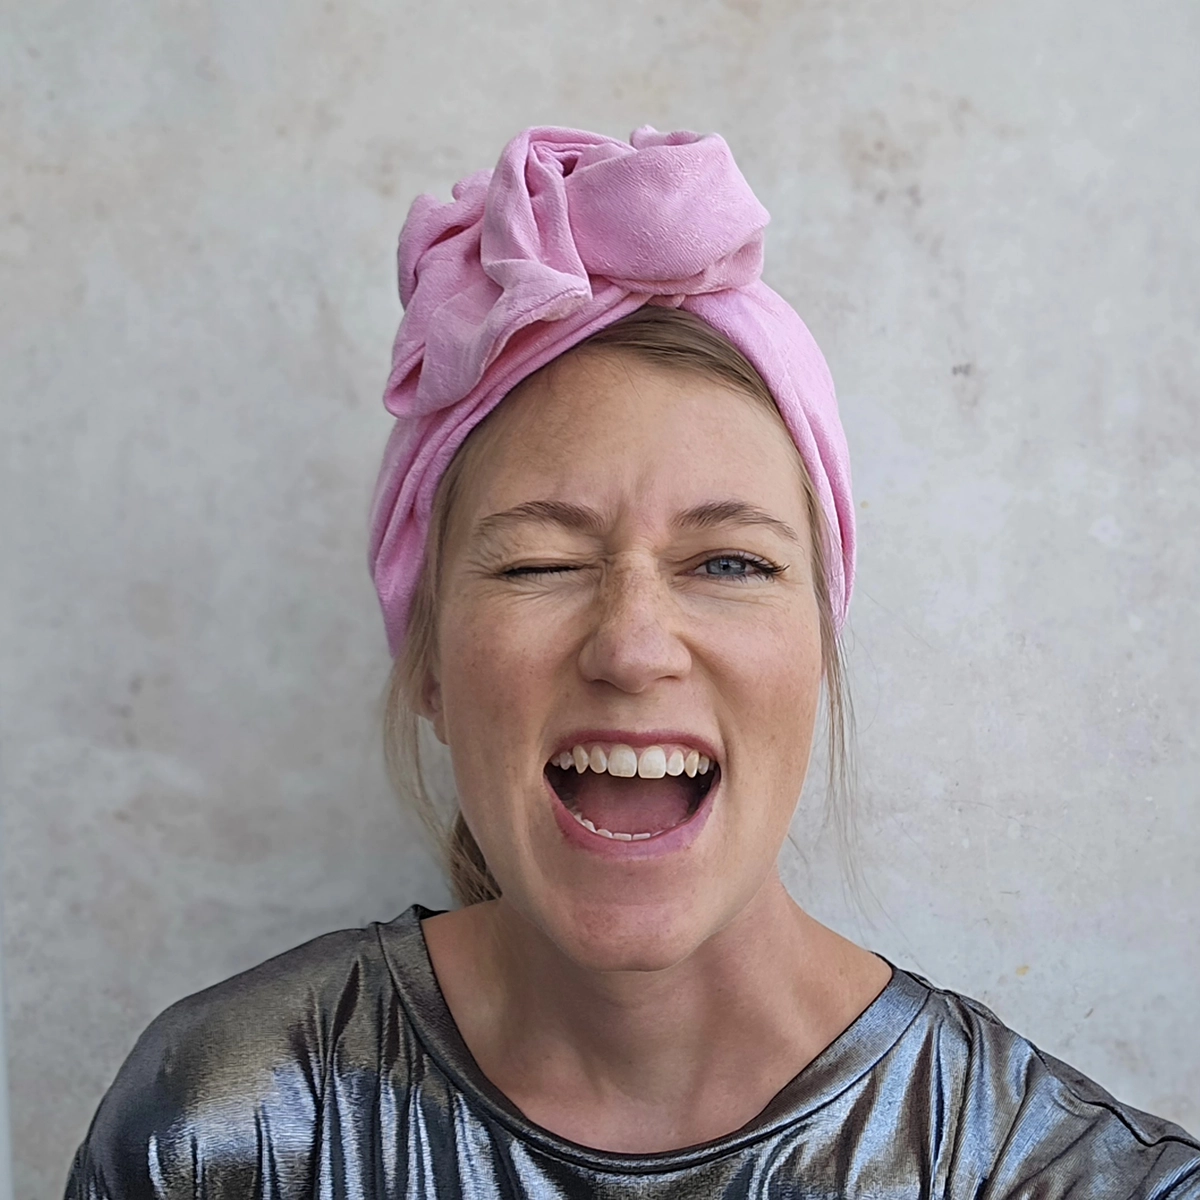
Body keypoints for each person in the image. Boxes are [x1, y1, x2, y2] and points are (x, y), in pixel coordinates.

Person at [65, 124, 1199, 1199]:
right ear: (430, 667)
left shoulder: (1052, 1173)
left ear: (817, 646)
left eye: (731, 564)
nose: (634, 647)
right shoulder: (222, 1133)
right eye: (540, 565)